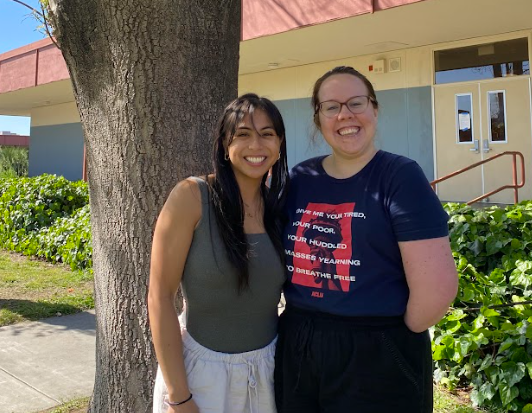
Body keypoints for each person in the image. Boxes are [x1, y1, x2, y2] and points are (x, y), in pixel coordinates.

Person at [275, 66, 458, 413]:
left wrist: (384, 339)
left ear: (375, 109)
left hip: (376, 349)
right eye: (331, 106)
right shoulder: (301, 178)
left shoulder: (399, 176)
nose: (345, 114)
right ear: (318, 118)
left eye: (356, 103)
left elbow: (436, 289)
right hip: (299, 346)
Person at [148, 93, 289, 413]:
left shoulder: (278, 209)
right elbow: (159, 296)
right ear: (225, 146)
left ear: (279, 146)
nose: (257, 145)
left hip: (268, 373)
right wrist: (179, 396)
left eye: (267, 134)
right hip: (202, 378)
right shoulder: (192, 197)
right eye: (243, 134)